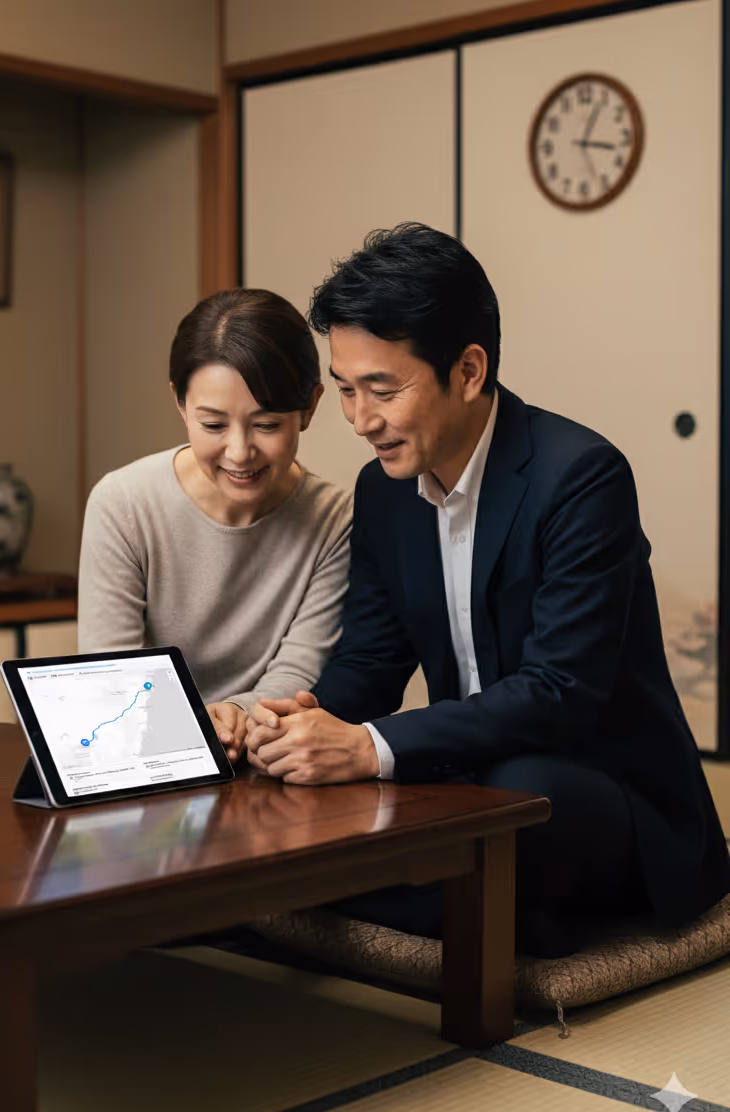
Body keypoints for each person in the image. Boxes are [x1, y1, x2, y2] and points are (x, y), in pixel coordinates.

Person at [246, 223, 730, 957]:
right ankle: (492, 914)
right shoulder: (382, 493)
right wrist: (298, 727)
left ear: (468, 372)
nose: (359, 420)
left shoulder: (581, 477)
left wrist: (368, 748)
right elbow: (371, 663)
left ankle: (412, 901)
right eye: (345, 390)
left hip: (607, 789)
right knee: (336, 798)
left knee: (515, 790)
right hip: (471, 778)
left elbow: (561, 692)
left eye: (382, 389)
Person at [78, 288, 352, 767]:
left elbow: (298, 672)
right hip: (141, 759)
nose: (239, 452)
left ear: (309, 407)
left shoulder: (333, 518)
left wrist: (233, 716)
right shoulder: (123, 504)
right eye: (213, 425)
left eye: (266, 425)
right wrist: (194, 723)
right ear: (180, 403)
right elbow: (113, 677)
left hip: (266, 757)